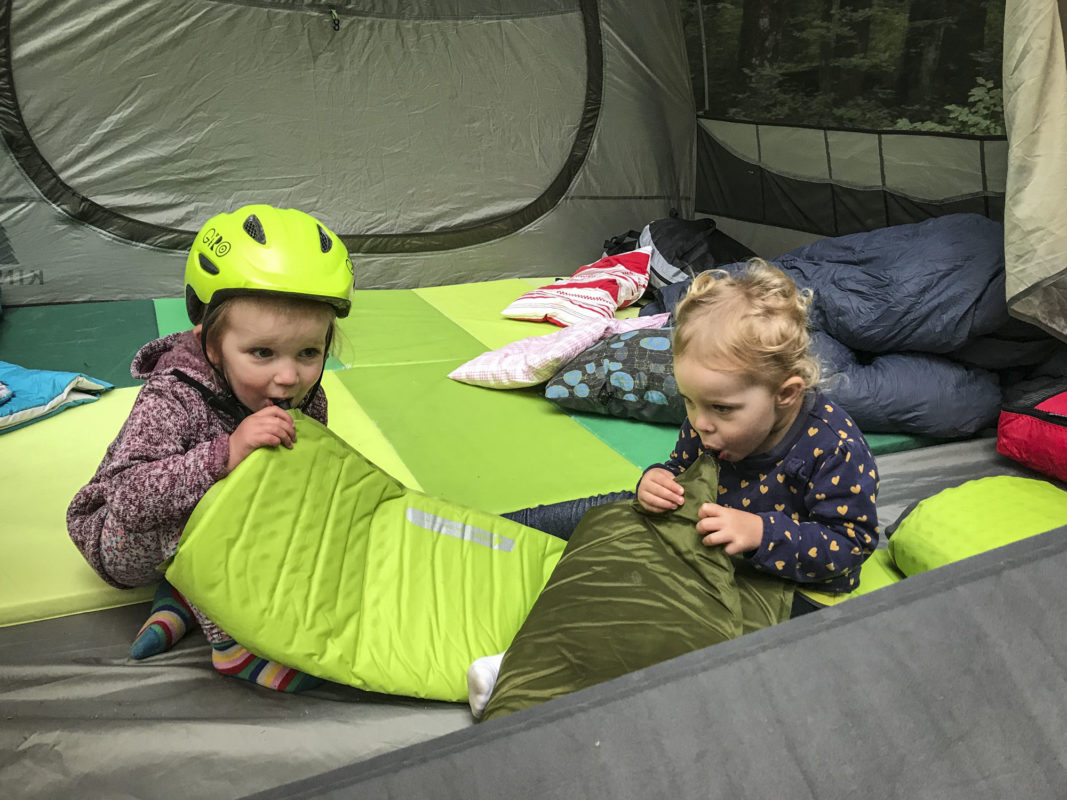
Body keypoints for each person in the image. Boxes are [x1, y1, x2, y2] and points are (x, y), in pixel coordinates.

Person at [472, 258, 880, 716]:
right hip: (694, 537)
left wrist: (761, 534)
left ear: (785, 394)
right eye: (689, 402)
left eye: (722, 409)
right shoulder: (706, 423)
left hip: (774, 576)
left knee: (741, 644)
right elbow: (680, 467)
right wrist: (655, 479)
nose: (700, 424)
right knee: (610, 533)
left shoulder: (833, 447)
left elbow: (850, 546)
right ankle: (490, 552)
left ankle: (555, 680)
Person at [67, 204, 354, 692]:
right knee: (210, 508)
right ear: (211, 345)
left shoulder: (305, 396)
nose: (289, 376)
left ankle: (181, 598)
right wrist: (226, 453)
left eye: (309, 352)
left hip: (212, 540)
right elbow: (129, 498)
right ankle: (232, 646)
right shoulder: (171, 396)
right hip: (121, 538)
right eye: (262, 353)